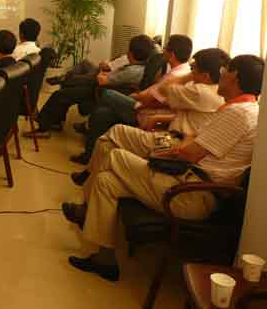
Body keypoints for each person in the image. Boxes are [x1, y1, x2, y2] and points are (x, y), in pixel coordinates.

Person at [62, 55, 263, 282]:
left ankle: (86, 208)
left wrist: (182, 145)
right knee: (107, 180)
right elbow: (192, 142)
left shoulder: (237, 113)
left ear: (235, 76)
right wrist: (185, 143)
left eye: (226, 70)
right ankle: (105, 260)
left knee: (114, 154)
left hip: (191, 193)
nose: (222, 74)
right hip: (188, 179)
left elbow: (189, 151)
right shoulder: (245, 109)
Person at [71, 48, 229, 186]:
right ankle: (89, 177)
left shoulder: (200, 91)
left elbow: (165, 89)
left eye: (194, 69)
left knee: (114, 123)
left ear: (206, 76)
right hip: (173, 134)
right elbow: (184, 115)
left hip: (173, 141)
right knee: (106, 143)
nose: (191, 70)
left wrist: (187, 77)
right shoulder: (212, 91)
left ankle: (87, 172)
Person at [71, 34, 193, 164]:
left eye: (165, 48)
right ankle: (89, 156)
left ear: (172, 54)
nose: (163, 51)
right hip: (141, 104)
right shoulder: (179, 71)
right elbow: (153, 90)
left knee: (105, 93)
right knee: (102, 113)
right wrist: (139, 94)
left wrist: (138, 97)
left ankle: (85, 116)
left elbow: (155, 101)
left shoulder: (177, 76)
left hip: (144, 112)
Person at [25, 34, 154, 138]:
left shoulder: (133, 71)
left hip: (100, 91)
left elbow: (102, 80)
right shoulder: (138, 67)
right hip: (103, 88)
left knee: (60, 94)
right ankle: (56, 119)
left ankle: (43, 127)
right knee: (70, 87)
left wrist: (103, 72)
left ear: (131, 52)